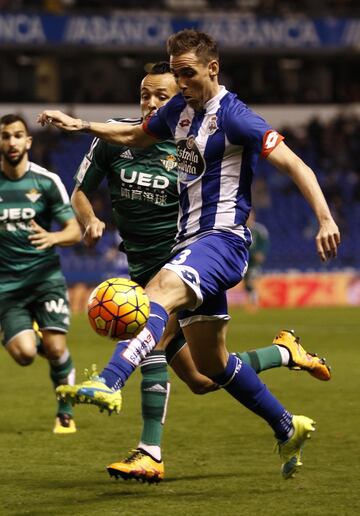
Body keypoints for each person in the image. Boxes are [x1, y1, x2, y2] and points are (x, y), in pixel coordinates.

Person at [38, 29, 340, 480]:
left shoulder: (237, 118)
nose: (181, 82)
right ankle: (286, 422)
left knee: (155, 292)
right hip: (188, 243)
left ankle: (110, 381)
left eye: (188, 73)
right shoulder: (180, 111)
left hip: (222, 240)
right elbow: (136, 137)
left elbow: (296, 164)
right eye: (176, 73)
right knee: (211, 368)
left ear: (212, 69)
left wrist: (326, 218)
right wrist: (82, 125)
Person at [0, 114, 82, 434]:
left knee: (57, 349)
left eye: (18, 135)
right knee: (23, 355)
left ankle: (64, 411)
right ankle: (39, 339)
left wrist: (53, 238)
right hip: (7, 286)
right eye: (6, 136)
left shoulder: (46, 182)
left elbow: (74, 231)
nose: (11, 142)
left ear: (28, 142)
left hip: (44, 279)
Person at [243, 209, 270, 310]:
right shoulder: (240, 229)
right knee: (246, 284)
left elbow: (265, 243)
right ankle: (251, 301)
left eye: (250, 215)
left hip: (253, 263)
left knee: (251, 281)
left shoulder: (259, 230)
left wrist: (261, 252)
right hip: (242, 261)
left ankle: (254, 303)